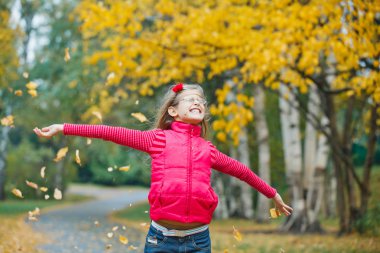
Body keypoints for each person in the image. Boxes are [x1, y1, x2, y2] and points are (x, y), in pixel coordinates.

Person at [34, 83, 292, 253]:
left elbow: (242, 171)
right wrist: (64, 127)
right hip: (161, 240)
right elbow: (109, 132)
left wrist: (273, 194)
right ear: (173, 110)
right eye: (190, 99)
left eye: (201, 101)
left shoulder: (208, 150)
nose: (197, 103)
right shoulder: (156, 139)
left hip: (199, 241)